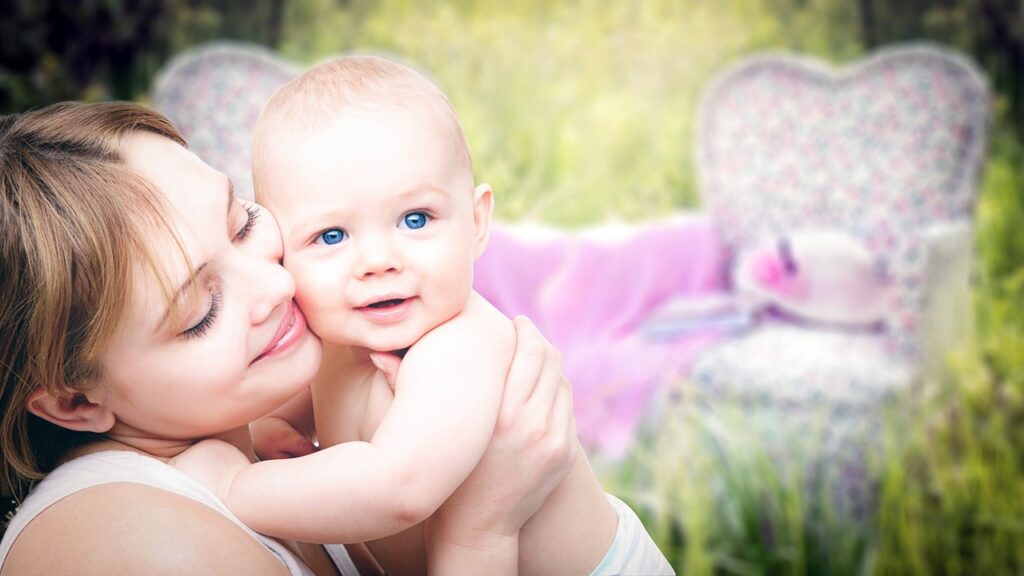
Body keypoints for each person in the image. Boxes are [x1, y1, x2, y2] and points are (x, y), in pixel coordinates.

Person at [0, 101, 580, 575]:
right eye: (201, 312)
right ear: (75, 401)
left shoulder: (245, 432)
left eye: (243, 222)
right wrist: (479, 532)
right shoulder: (130, 547)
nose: (277, 282)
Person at [189, 55, 674, 576]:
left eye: (414, 219)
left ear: (476, 221)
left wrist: (233, 485)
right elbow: (306, 399)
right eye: (332, 236)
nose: (378, 261)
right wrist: (274, 425)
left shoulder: (459, 345)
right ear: (284, 250)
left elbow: (399, 488)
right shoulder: (335, 337)